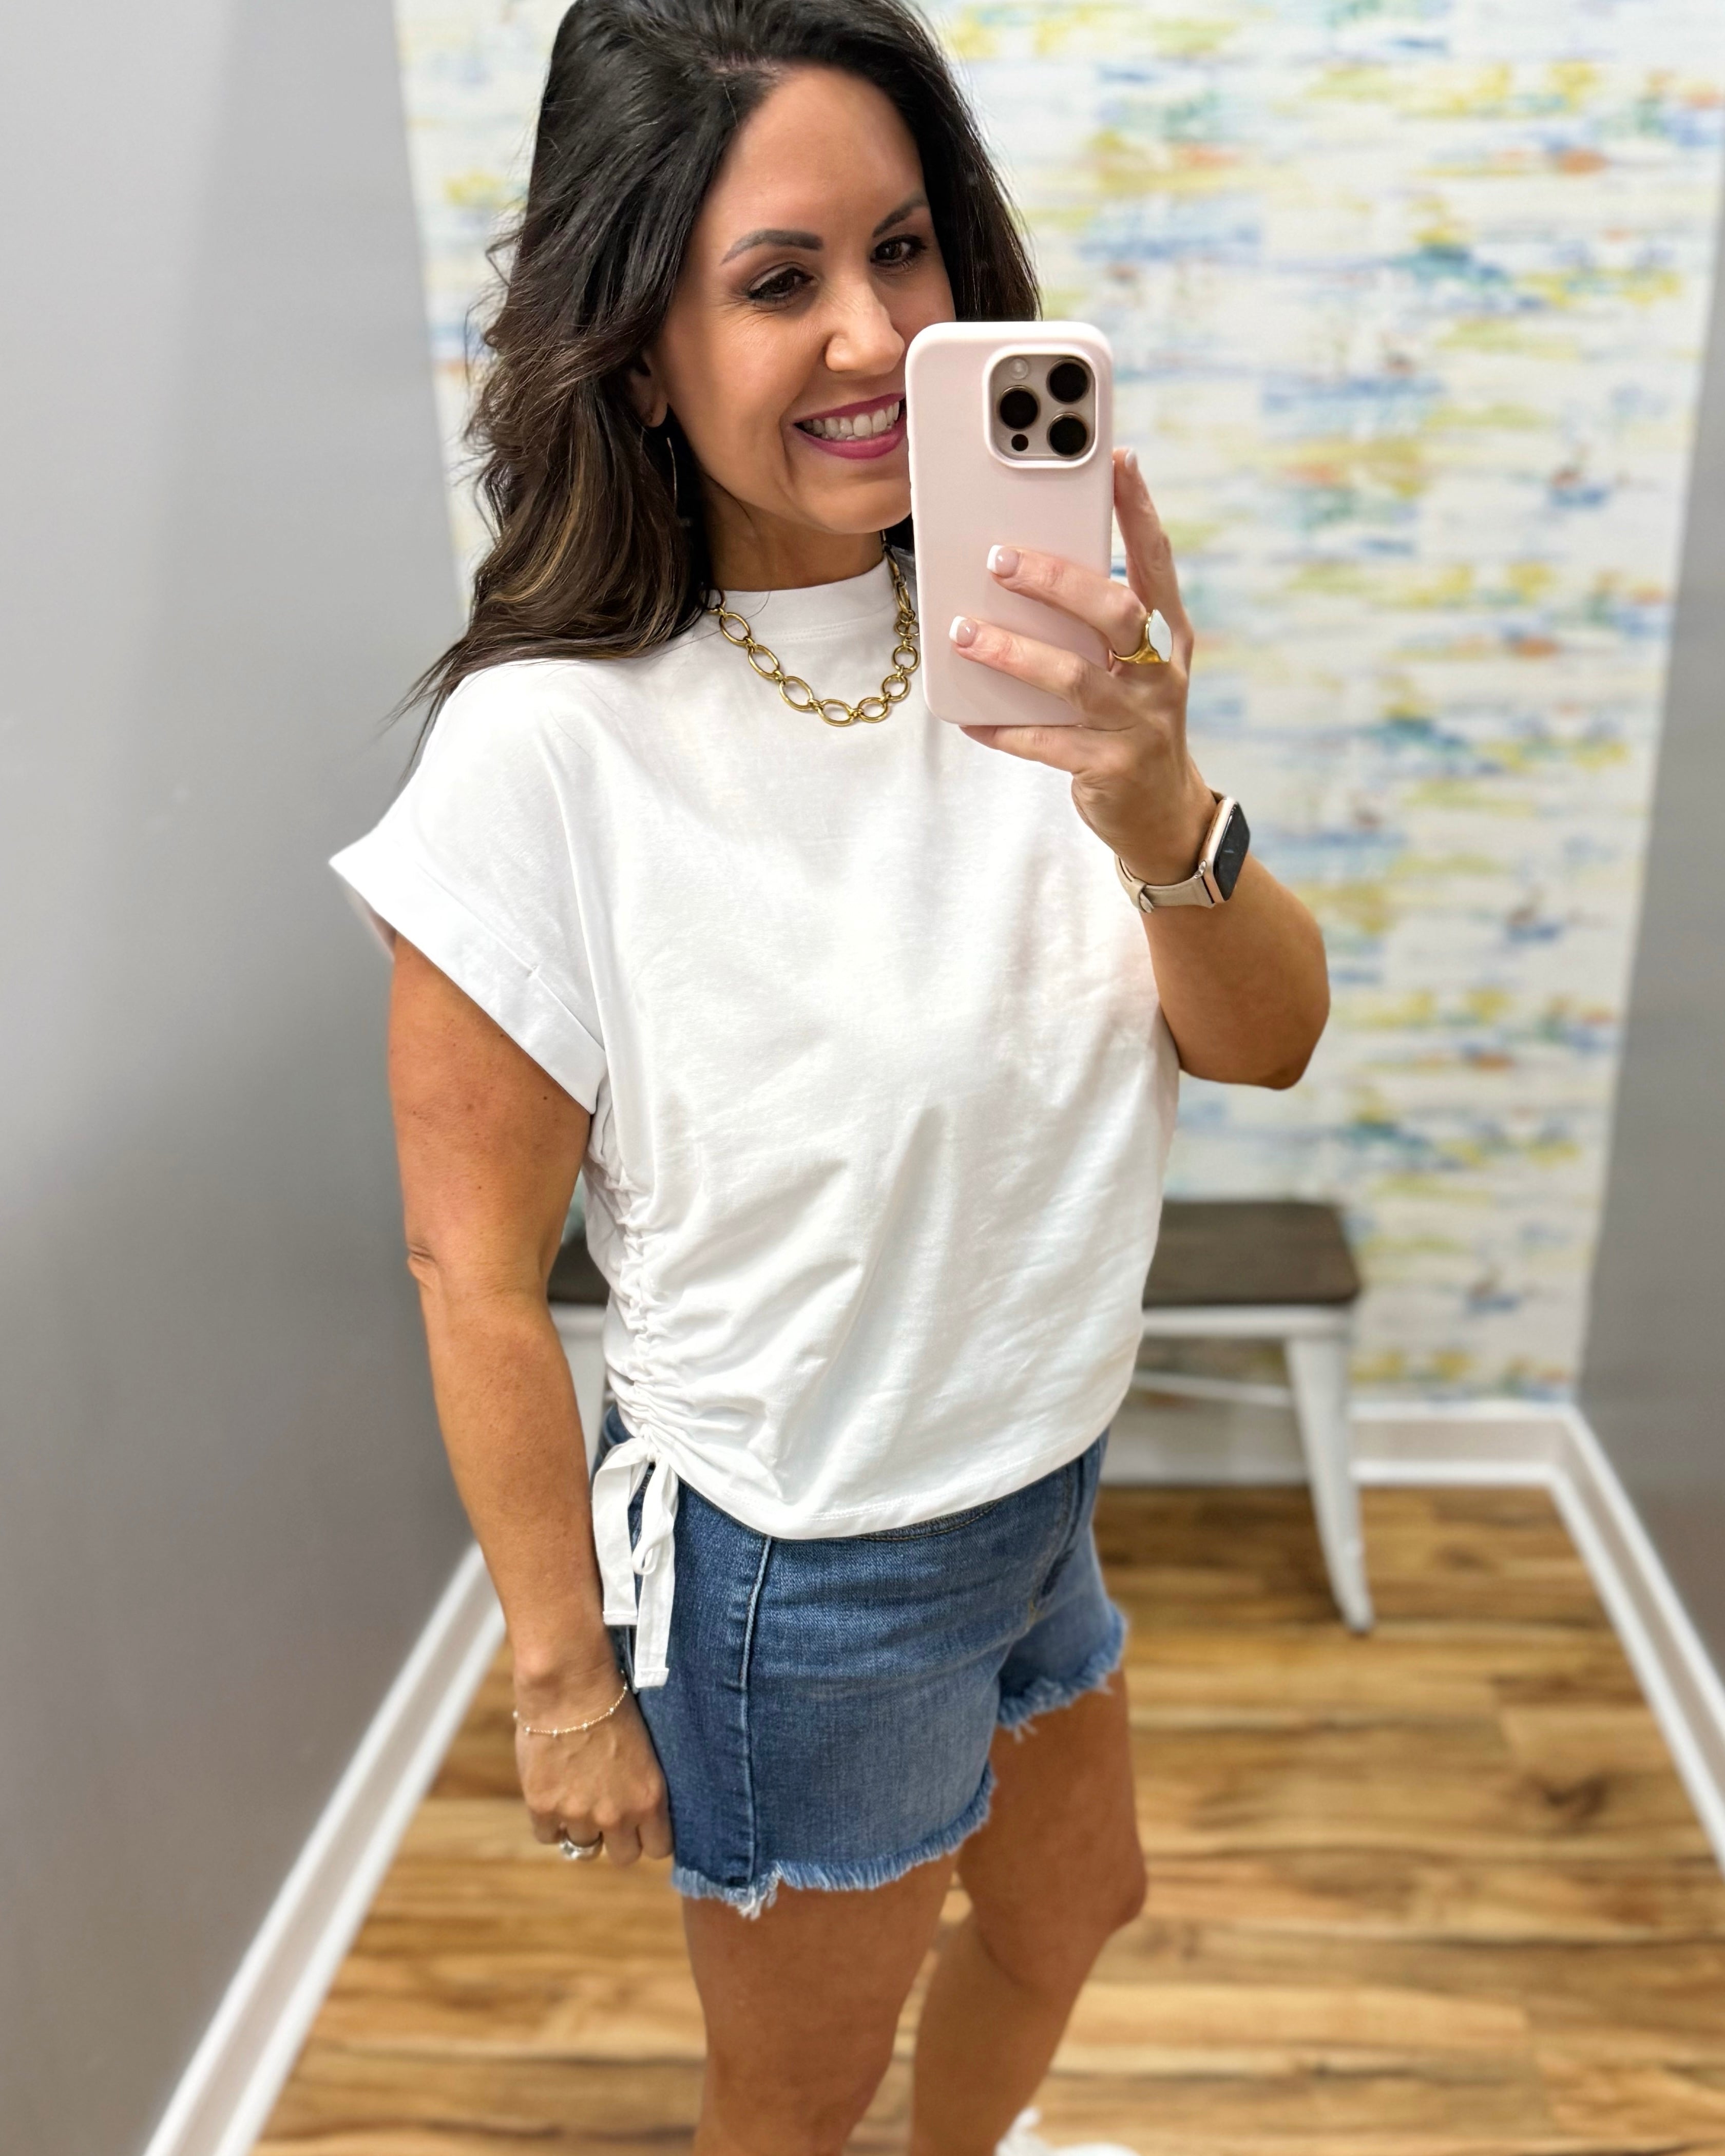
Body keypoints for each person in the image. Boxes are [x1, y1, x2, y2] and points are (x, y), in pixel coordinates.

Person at [332, 5, 1329, 2153]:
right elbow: (470, 1274)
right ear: (632, 338)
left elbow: (1263, 1039)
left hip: (1039, 1481)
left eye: (907, 251)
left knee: (1079, 1915)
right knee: (791, 2102)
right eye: (780, 280)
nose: (878, 334)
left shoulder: (1042, 656)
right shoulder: (553, 753)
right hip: (810, 1563)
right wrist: (565, 1681)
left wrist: (1156, 786)